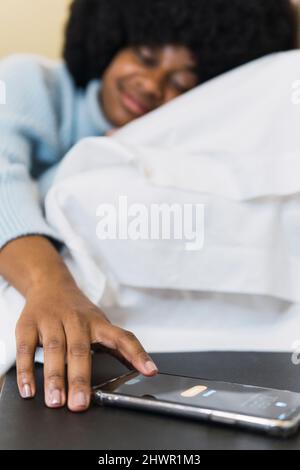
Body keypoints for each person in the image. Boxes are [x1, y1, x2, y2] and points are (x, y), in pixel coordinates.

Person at [0, 0, 297, 412]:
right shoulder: (29, 82)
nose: (152, 84)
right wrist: (51, 287)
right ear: (110, 39)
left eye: (181, 82)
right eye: (144, 56)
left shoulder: (172, 148)